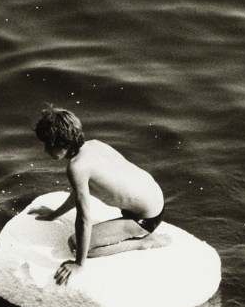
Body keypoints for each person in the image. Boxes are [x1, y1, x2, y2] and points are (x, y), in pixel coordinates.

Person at [28, 107, 167, 285]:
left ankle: (144, 242)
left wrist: (79, 264)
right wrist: (54, 214)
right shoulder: (95, 145)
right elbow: (80, 193)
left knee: (76, 244)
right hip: (155, 199)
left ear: (62, 142)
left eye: (48, 144)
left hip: (146, 219)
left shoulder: (76, 167)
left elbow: (84, 218)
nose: (46, 150)